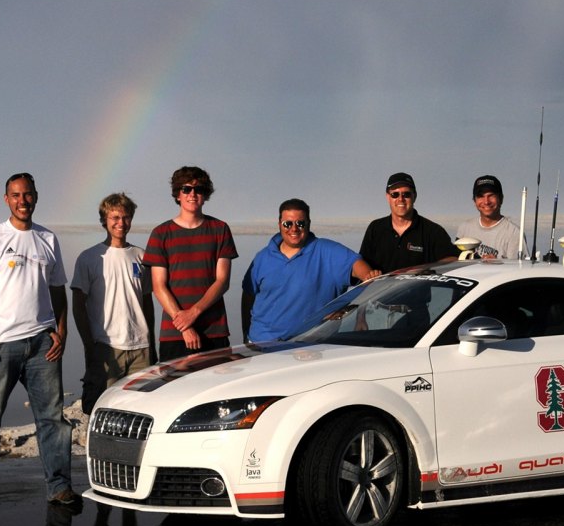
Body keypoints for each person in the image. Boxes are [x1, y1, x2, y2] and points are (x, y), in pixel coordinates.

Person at [0, 173, 76, 513]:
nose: (22, 200)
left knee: (52, 420)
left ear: (36, 197)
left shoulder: (47, 239)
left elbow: (58, 290)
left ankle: (59, 486)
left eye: (27, 194)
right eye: (15, 195)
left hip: (43, 344)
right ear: (6, 199)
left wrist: (62, 331)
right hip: (1, 346)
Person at [241, 198, 379, 343]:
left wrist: (368, 276)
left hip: (311, 346)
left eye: (300, 223)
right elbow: (248, 294)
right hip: (262, 344)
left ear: (309, 224)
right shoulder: (262, 257)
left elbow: (356, 265)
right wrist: (246, 332)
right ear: (279, 225)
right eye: (287, 224)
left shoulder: (326, 251)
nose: (294, 229)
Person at [71, 193, 155, 415]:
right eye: (115, 217)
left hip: (140, 349)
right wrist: (89, 345)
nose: (121, 223)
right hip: (106, 348)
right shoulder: (89, 258)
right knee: (102, 409)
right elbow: (78, 305)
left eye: (126, 217)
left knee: (140, 410)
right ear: (104, 221)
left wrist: (151, 341)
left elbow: (147, 301)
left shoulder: (141, 256)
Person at [144, 165, 238, 362]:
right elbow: (158, 286)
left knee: (218, 391)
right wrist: (185, 325)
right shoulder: (160, 234)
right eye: (186, 189)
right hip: (175, 334)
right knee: (174, 391)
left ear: (205, 195)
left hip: (214, 331)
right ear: (178, 194)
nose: (192, 194)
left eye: (199, 189)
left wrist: (193, 313)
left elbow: (222, 281)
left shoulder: (220, 229)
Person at [359, 172, 456, 274]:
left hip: (419, 289)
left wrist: (426, 268)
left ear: (414, 196)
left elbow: (453, 259)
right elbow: (361, 263)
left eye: (406, 194)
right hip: (382, 290)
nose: (400, 199)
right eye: (395, 194)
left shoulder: (432, 231)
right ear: (388, 197)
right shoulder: (375, 228)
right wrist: (369, 274)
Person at [455, 175, 527, 260]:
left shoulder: (514, 233)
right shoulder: (464, 228)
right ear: (474, 201)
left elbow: (518, 269)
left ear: (501, 199)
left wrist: (497, 264)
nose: (486, 201)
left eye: (491, 195)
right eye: (481, 196)